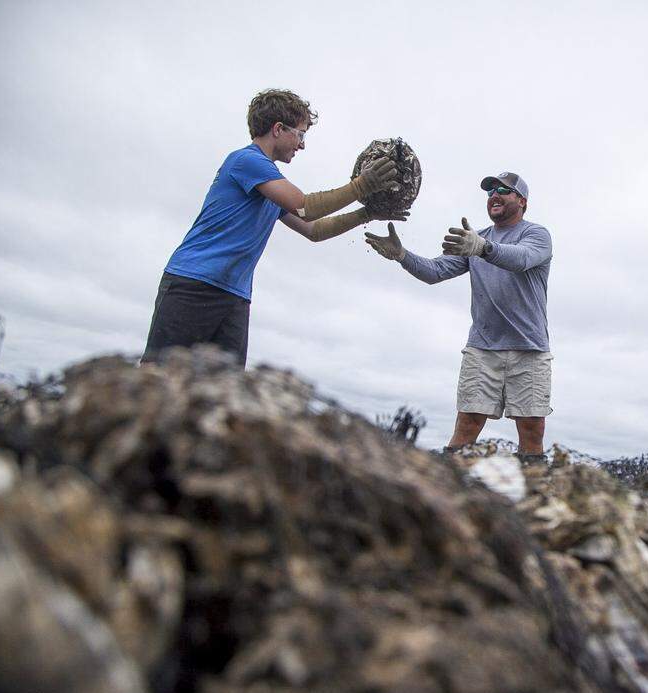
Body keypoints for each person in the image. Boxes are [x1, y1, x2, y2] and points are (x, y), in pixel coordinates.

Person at [142, 89, 406, 366]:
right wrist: (362, 186)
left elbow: (314, 230)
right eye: (301, 134)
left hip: (235, 296)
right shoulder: (247, 161)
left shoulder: (269, 187)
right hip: (193, 284)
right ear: (278, 129)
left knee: (224, 395)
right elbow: (305, 206)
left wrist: (368, 212)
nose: (302, 145)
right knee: (158, 382)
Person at [363, 172, 553, 462]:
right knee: (468, 422)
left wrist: (483, 248)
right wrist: (402, 255)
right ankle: (453, 488)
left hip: (530, 349)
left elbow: (521, 259)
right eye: (490, 191)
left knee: (531, 429)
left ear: (522, 201)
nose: (494, 195)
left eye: (504, 190)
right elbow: (434, 272)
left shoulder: (536, 235)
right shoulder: (475, 240)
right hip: (483, 347)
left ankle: (533, 493)